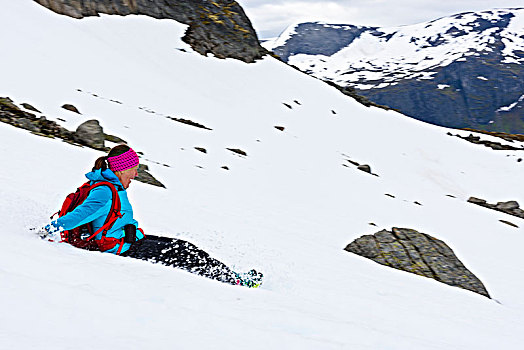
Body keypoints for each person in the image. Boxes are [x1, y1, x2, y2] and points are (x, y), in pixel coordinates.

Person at [45, 144, 262, 287]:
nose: (136, 174)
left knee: (185, 247)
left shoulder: (111, 186)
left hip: (132, 241)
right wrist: (50, 229)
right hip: (124, 250)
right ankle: (235, 283)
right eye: (133, 169)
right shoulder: (104, 191)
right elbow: (80, 215)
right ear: (121, 169)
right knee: (184, 252)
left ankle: (232, 277)